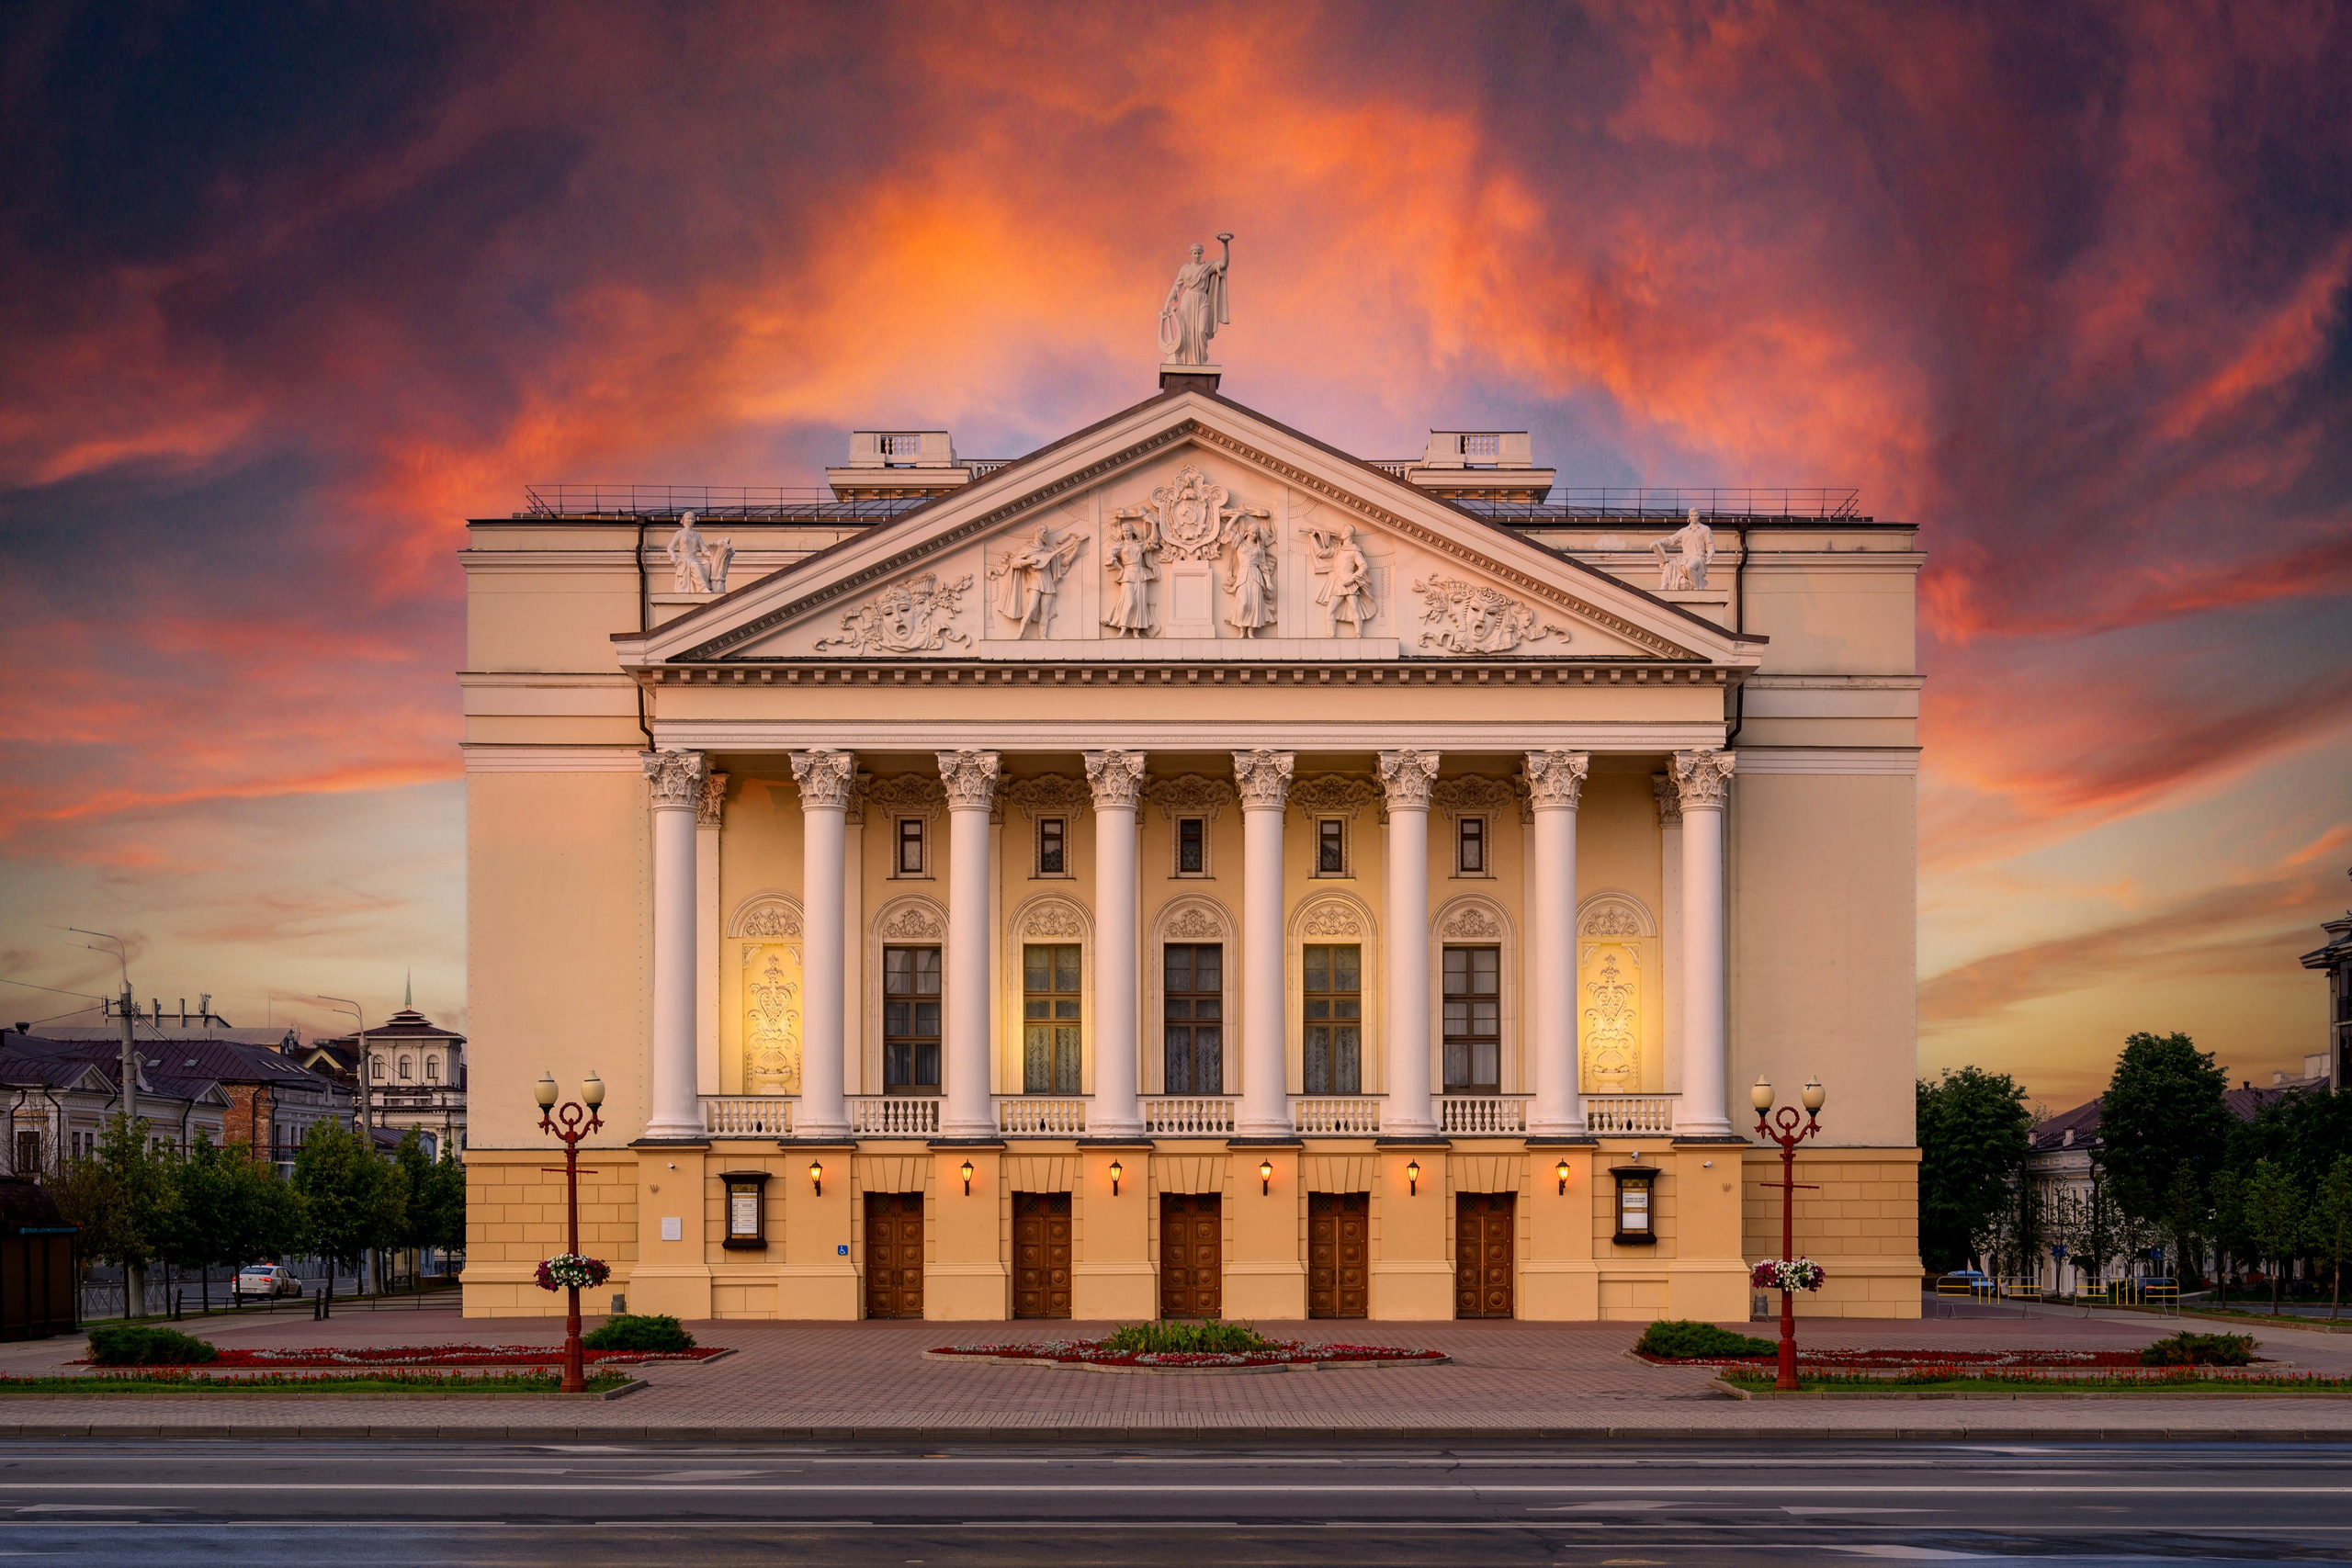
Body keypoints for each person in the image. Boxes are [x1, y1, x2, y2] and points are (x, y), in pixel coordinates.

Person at [1158, 236, 1232, 366]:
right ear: (1191, 254)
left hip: (1202, 299)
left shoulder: (1207, 266)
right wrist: (1166, 303)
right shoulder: (1184, 269)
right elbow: (1176, 287)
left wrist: (1225, 244)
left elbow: (1224, 264)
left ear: (1201, 254)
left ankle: (1201, 360)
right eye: (1194, 253)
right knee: (1186, 331)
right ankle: (1187, 361)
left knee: (1201, 330)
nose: (1197, 256)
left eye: (1199, 253)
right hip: (1188, 300)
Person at [1306, 521, 1373, 637]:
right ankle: (1331, 635)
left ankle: (1358, 635)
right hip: (1338, 585)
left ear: (1348, 534)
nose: (1341, 533)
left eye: (1343, 531)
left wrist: (1353, 578)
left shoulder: (1354, 550)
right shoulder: (1337, 549)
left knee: (1355, 609)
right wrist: (1313, 538)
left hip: (1349, 584)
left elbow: (1363, 566)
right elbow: (1321, 553)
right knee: (1330, 611)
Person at [1102, 514, 1159, 637]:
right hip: (1127, 573)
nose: (1126, 533)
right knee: (1129, 601)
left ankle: (1136, 630)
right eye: (1123, 531)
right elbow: (1109, 556)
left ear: (1132, 531)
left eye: (1128, 530)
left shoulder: (1138, 544)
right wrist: (1120, 568)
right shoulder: (1121, 545)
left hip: (1139, 573)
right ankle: (1123, 627)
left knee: (1139, 602)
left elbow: (1153, 541)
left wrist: (1153, 523)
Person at [1224, 513, 1277, 637]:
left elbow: (1263, 566)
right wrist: (1237, 515)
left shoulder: (1259, 548)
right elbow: (1227, 529)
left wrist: (1268, 581)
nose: (1254, 535)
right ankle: (1242, 629)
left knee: (1255, 604)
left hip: (1256, 576)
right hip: (1243, 575)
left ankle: (1250, 630)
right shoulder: (1239, 543)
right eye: (1252, 532)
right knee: (1243, 602)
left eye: (1256, 534)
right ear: (1248, 532)